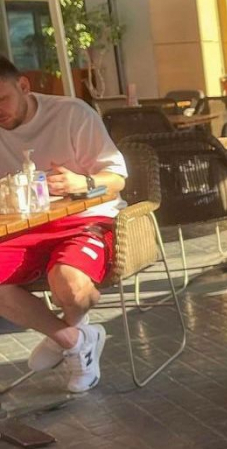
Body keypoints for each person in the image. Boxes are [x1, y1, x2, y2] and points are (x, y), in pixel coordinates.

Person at [0, 58, 127, 393]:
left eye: (2, 99)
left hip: (87, 218)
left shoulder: (72, 114)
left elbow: (117, 179)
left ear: (23, 86)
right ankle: (74, 339)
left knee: (69, 286)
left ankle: (67, 333)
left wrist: (83, 183)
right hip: (25, 227)